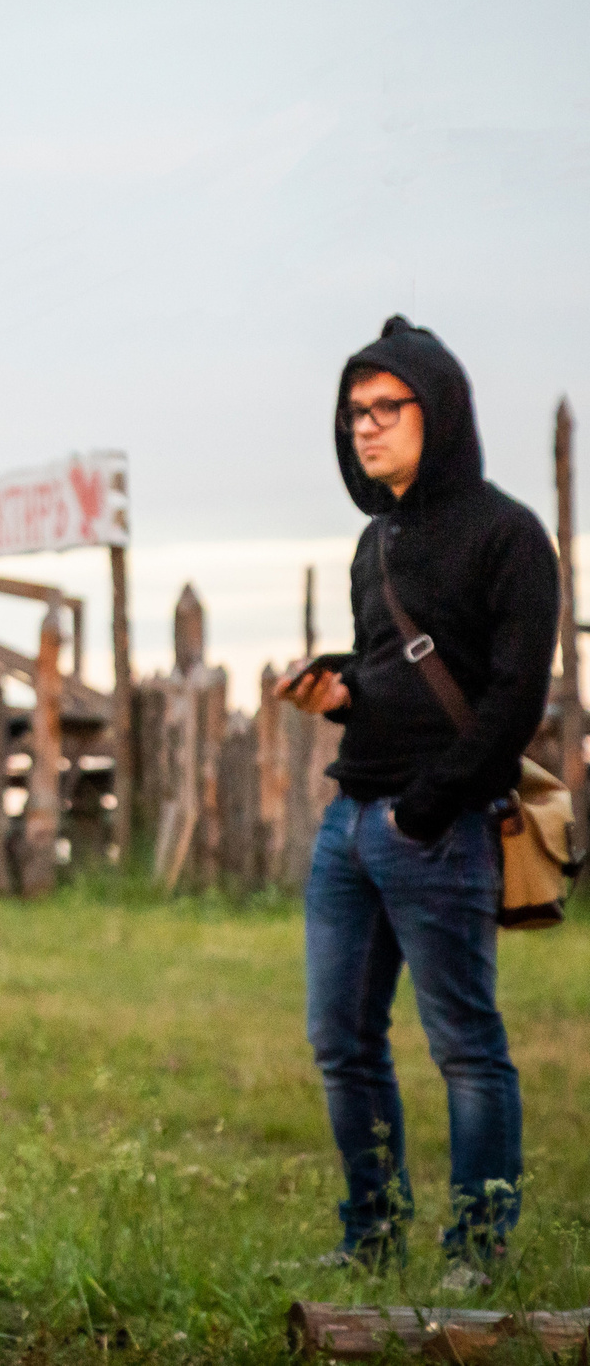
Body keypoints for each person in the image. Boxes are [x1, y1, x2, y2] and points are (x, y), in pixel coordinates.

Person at [273, 317, 558, 1285]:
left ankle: (475, 1253)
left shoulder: (509, 535)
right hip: (348, 823)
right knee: (340, 1041)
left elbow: (515, 697)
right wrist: (339, 686)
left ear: (437, 411)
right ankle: (372, 1238)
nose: (364, 427)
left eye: (385, 408)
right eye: (354, 412)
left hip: (433, 830)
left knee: (466, 1049)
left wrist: (428, 808)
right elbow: (393, 668)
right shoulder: (375, 541)